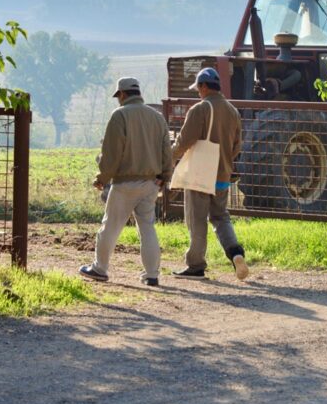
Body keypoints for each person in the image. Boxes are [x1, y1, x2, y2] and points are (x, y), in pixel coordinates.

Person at [79, 77, 172, 287]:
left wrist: (102, 178)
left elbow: (112, 152)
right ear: (138, 93)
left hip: (125, 183)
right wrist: (165, 176)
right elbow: (166, 150)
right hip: (151, 183)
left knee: (110, 226)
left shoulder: (120, 115)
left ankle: (100, 268)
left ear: (122, 94)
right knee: (147, 227)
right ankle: (151, 274)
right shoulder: (157, 117)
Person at [171, 67, 249, 281]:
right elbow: (236, 146)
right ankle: (236, 253)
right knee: (220, 217)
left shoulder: (200, 109)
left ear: (205, 86)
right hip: (223, 174)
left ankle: (196, 265)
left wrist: (169, 155)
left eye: (198, 87)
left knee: (196, 220)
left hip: (199, 175)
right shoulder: (233, 111)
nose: (197, 91)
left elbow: (184, 141)